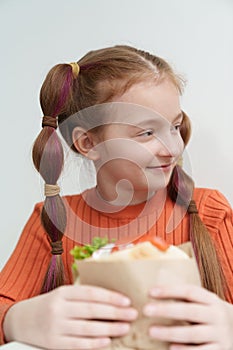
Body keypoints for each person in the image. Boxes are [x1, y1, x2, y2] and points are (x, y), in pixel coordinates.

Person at [0, 45, 233, 350]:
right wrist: (17, 319)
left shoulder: (209, 212)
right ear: (87, 143)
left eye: (174, 126)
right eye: (146, 133)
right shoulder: (55, 221)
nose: (173, 148)